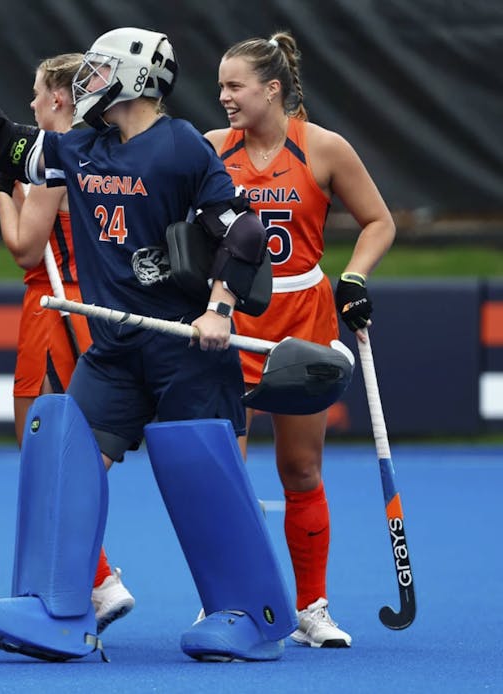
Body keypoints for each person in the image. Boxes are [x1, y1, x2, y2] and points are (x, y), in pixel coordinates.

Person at [0, 24, 298, 662]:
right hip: (112, 350)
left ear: (138, 78)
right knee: (63, 453)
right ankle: (59, 608)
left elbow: (241, 230)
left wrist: (219, 308)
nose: (87, 80)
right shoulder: (82, 146)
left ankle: (251, 614)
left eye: (101, 69)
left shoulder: (181, 145)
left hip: (184, 350)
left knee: (200, 475)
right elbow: (4, 144)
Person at [205, 31, 396, 648]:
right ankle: (234, 604)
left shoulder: (322, 148)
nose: (224, 97)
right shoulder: (210, 149)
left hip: (303, 320)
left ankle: (311, 607)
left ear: (273, 89)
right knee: (222, 474)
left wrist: (355, 276)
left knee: (300, 467)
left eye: (235, 86)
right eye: (221, 87)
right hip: (230, 324)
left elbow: (378, 221)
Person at [0, 52, 133, 634]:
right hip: (104, 307)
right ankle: (87, 579)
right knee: (77, 454)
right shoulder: (115, 150)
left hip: (56, 306)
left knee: (42, 448)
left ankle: (94, 581)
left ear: (59, 98)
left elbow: (27, 247)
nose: (30, 104)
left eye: (35, 93)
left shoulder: (61, 154)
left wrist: (3, 189)